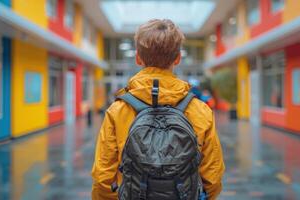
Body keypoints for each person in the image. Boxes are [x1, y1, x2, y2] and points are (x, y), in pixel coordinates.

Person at [92, 19, 225, 200]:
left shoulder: (118, 110)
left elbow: (103, 178)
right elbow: (213, 176)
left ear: (138, 58)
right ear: (177, 58)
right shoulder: (200, 110)